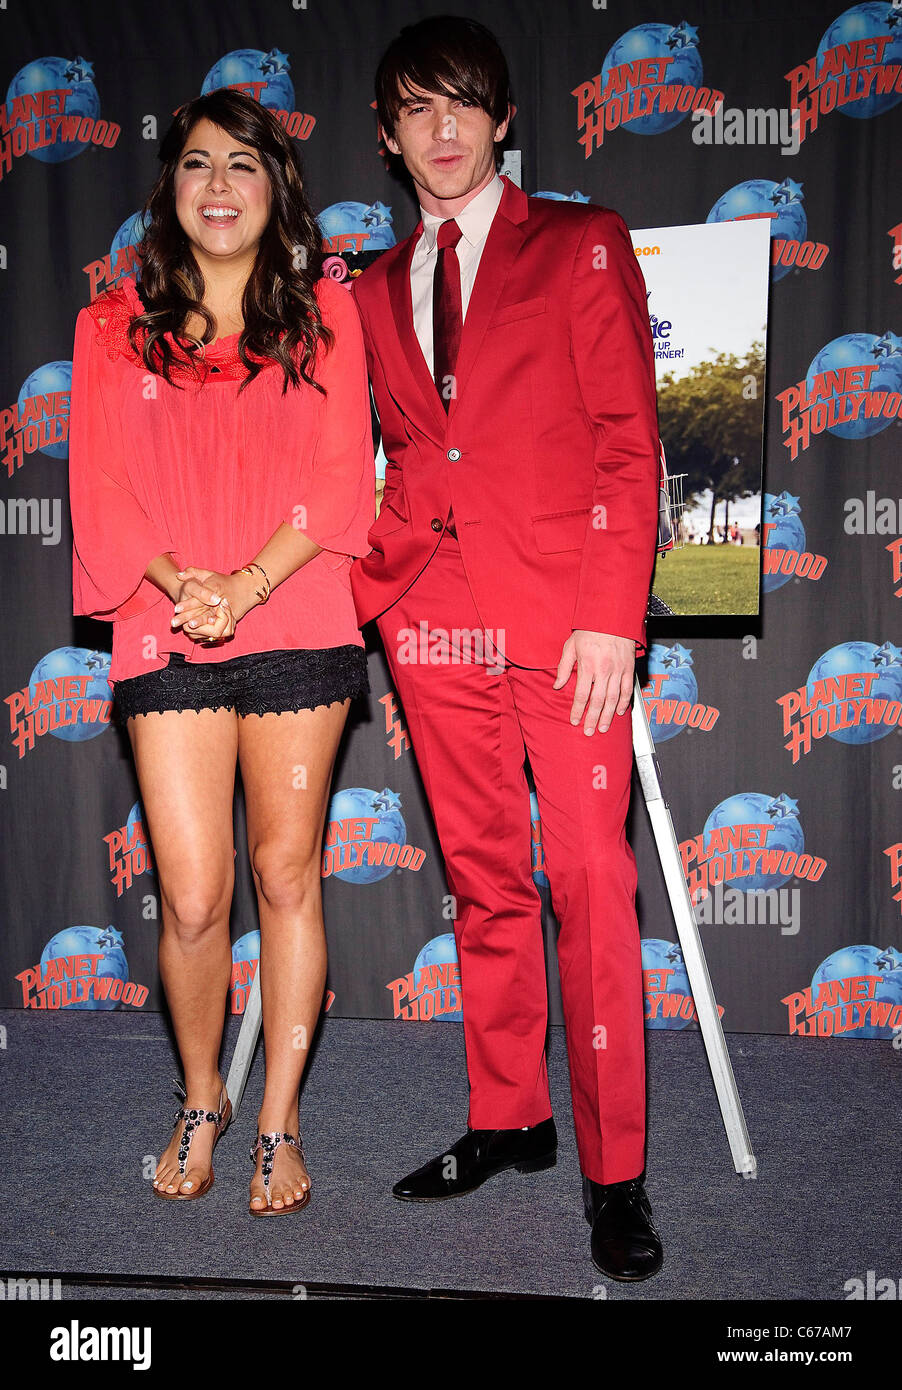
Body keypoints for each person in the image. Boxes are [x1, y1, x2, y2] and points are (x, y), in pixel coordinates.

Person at [349, 16, 663, 1280]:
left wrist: (610, 614)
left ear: (502, 120)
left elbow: (626, 441)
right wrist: (369, 588)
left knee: (588, 884)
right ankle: (506, 1117)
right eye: (416, 109)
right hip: (431, 614)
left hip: (563, 617)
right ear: (385, 136)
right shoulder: (372, 287)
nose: (441, 129)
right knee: (483, 875)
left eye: (462, 105)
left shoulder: (580, 244)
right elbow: (408, 453)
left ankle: (615, 1172)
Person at [68, 89, 374, 1215]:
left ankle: (279, 1118)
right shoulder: (108, 326)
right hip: (164, 625)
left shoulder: (327, 316)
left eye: (243, 165)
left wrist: (241, 585)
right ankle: (203, 1097)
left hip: (295, 615)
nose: (218, 186)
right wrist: (182, 586)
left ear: (275, 188)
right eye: (197, 164)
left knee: (285, 877)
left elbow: (343, 480)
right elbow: (98, 486)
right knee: (193, 899)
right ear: (169, 189)